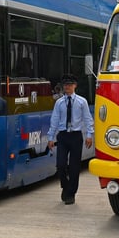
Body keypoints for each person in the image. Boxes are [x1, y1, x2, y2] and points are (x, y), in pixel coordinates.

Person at [47, 74, 93, 205]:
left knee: (74, 167)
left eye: (70, 84)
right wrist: (50, 137)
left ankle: (71, 193)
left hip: (76, 136)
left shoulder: (81, 102)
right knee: (60, 165)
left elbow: (88, 119)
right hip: (63, 136)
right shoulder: (59, 103)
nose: (67, 87)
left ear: (75, 86)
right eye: (65, 85)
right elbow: (54, 120)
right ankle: (65, 186)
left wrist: (89, 135)